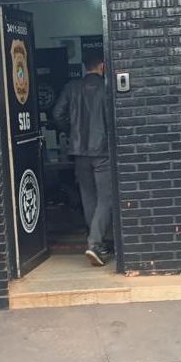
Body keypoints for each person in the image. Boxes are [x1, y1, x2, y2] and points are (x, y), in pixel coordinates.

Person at [52, 50, 114, 267]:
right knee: (106, 199)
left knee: (89, 198)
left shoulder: (71, 87)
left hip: (79, 150)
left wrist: (71, 132)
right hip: (103, 150)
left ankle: (100, 242)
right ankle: (95, 243)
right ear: (102, 66)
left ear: (84, 66)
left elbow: (57, 114)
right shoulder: (106, 88)